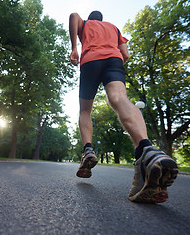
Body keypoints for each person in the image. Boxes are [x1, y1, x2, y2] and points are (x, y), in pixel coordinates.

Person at [69, 11, 178, 203]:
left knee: (85, 109)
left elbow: (73, 15)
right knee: (120, 98)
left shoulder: (85, 24)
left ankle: (88, 149)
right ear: (102, 19)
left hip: (90, 60)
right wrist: (113, 65)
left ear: (91, 18)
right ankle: (146, 150)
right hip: (114, 60)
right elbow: (125, 53)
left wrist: (74, 48)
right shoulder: (114, 28)